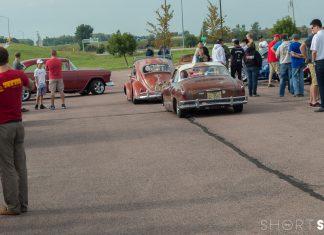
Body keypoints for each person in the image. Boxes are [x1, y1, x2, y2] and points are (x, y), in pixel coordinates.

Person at [0, 46, 33, 215]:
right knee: (20, 165)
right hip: (18, 124)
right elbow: (32, 86)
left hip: (2, 126)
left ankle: (13, 206)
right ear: (7, 58)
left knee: (7, 167)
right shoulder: (18, 75)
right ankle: (23, 204)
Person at [301, 32, 320, 107]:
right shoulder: (313, 36)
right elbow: (302, 47)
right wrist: (306, 57)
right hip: (313, 62)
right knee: (315, 82)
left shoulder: (314, 36)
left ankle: (312, 100)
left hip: (312, 61)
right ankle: (314, 101)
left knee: (313, 82)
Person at [310, 19, 324, 112]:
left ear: (316, 26)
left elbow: (314, 51)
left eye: (312, 27)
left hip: (320, 62)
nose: (312, 30)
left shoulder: (316, 36)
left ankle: (323, 105)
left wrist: (313, 61)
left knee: (322, 85)